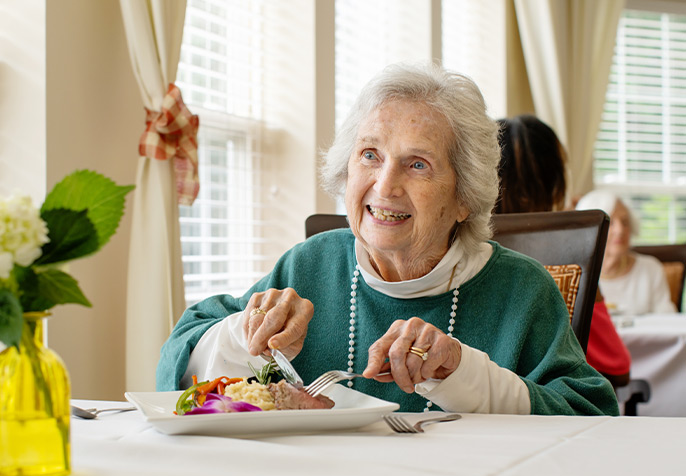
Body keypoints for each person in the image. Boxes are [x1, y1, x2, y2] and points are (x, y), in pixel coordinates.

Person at [158, 64, 619, 416]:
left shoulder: (522, 289)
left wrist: (461, 371)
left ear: (465, 197)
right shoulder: (309, 265)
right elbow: (174, 368)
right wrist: (245, 334)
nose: (385, 185)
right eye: (370, 155)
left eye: (417, 163)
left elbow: (592, 414)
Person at [496, 115, 631, 388]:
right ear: (555, 182)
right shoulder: (570, 259)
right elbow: (617, 365)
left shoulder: (453, 248)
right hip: (549, 411)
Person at [575, 190, 677, 316]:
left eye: (625, 222)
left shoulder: (651, 268)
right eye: (610, 223)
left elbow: (667, 321)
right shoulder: (575, 276)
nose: (620, 230)